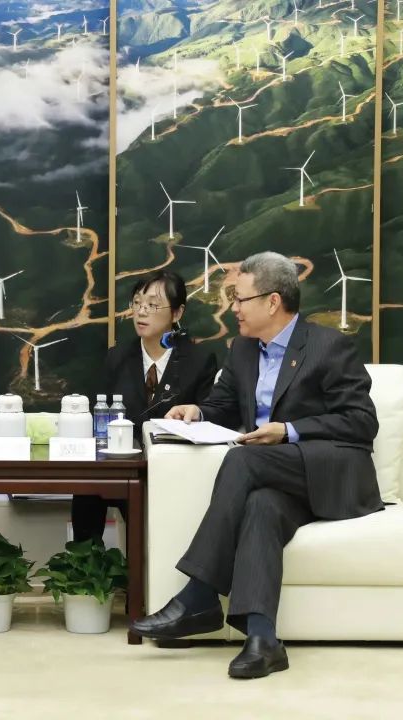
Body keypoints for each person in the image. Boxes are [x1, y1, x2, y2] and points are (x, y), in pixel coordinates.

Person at [129, 252, 381, 679]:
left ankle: (199, 596)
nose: (234, 308)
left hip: (329, 470)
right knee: (262, 506)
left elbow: (361, 422)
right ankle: (264, 642)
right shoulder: (244, 350)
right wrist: (197, 412)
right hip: (276, 478)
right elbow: (224, 406)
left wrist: (289, 430)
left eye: (240, 299)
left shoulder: (328, 346)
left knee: (242, 460)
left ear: (273, 301)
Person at [71, 270, 217, 542]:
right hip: (122, 469)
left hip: (173, 472)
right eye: (137, 303)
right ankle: (87, 565)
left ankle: (141, 568)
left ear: (177, 313)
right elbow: (97, 416)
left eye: (152, 305)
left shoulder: (199, 361)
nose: (141, 311)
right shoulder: (117, 358)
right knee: (87, 487)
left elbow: (209, 422)